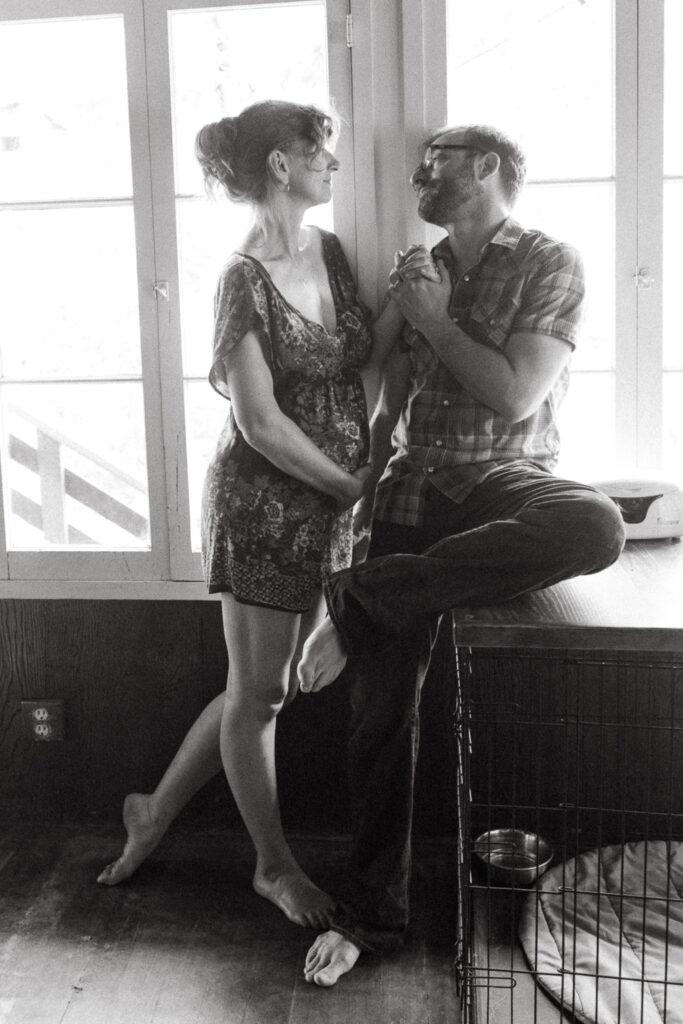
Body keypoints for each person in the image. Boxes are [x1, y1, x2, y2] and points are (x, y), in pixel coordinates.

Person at [297, 124, 626, 984]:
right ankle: (372, 916)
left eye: (433, 164)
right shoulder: (419, 268)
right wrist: (361, 496)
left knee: (595, 525)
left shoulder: (551, 262)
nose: (418, 177)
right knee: (379, 717)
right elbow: (388, 406)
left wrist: (436, 323)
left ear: (485, 167)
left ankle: (361, 594)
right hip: (409, 495)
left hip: (503, 483)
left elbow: (518, 396)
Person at [97, 99, 404, 930]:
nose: (332, 164)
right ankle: (272, 868)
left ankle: (152, 812)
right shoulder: (243, 279)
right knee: (263, 695)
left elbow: (354, 359)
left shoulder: (330, 252)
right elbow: (258, 422)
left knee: (258, 692)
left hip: (328, 508)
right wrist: (349, 486)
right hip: (263, 508)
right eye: (321, 151)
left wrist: (410, 307)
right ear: (280, 161)